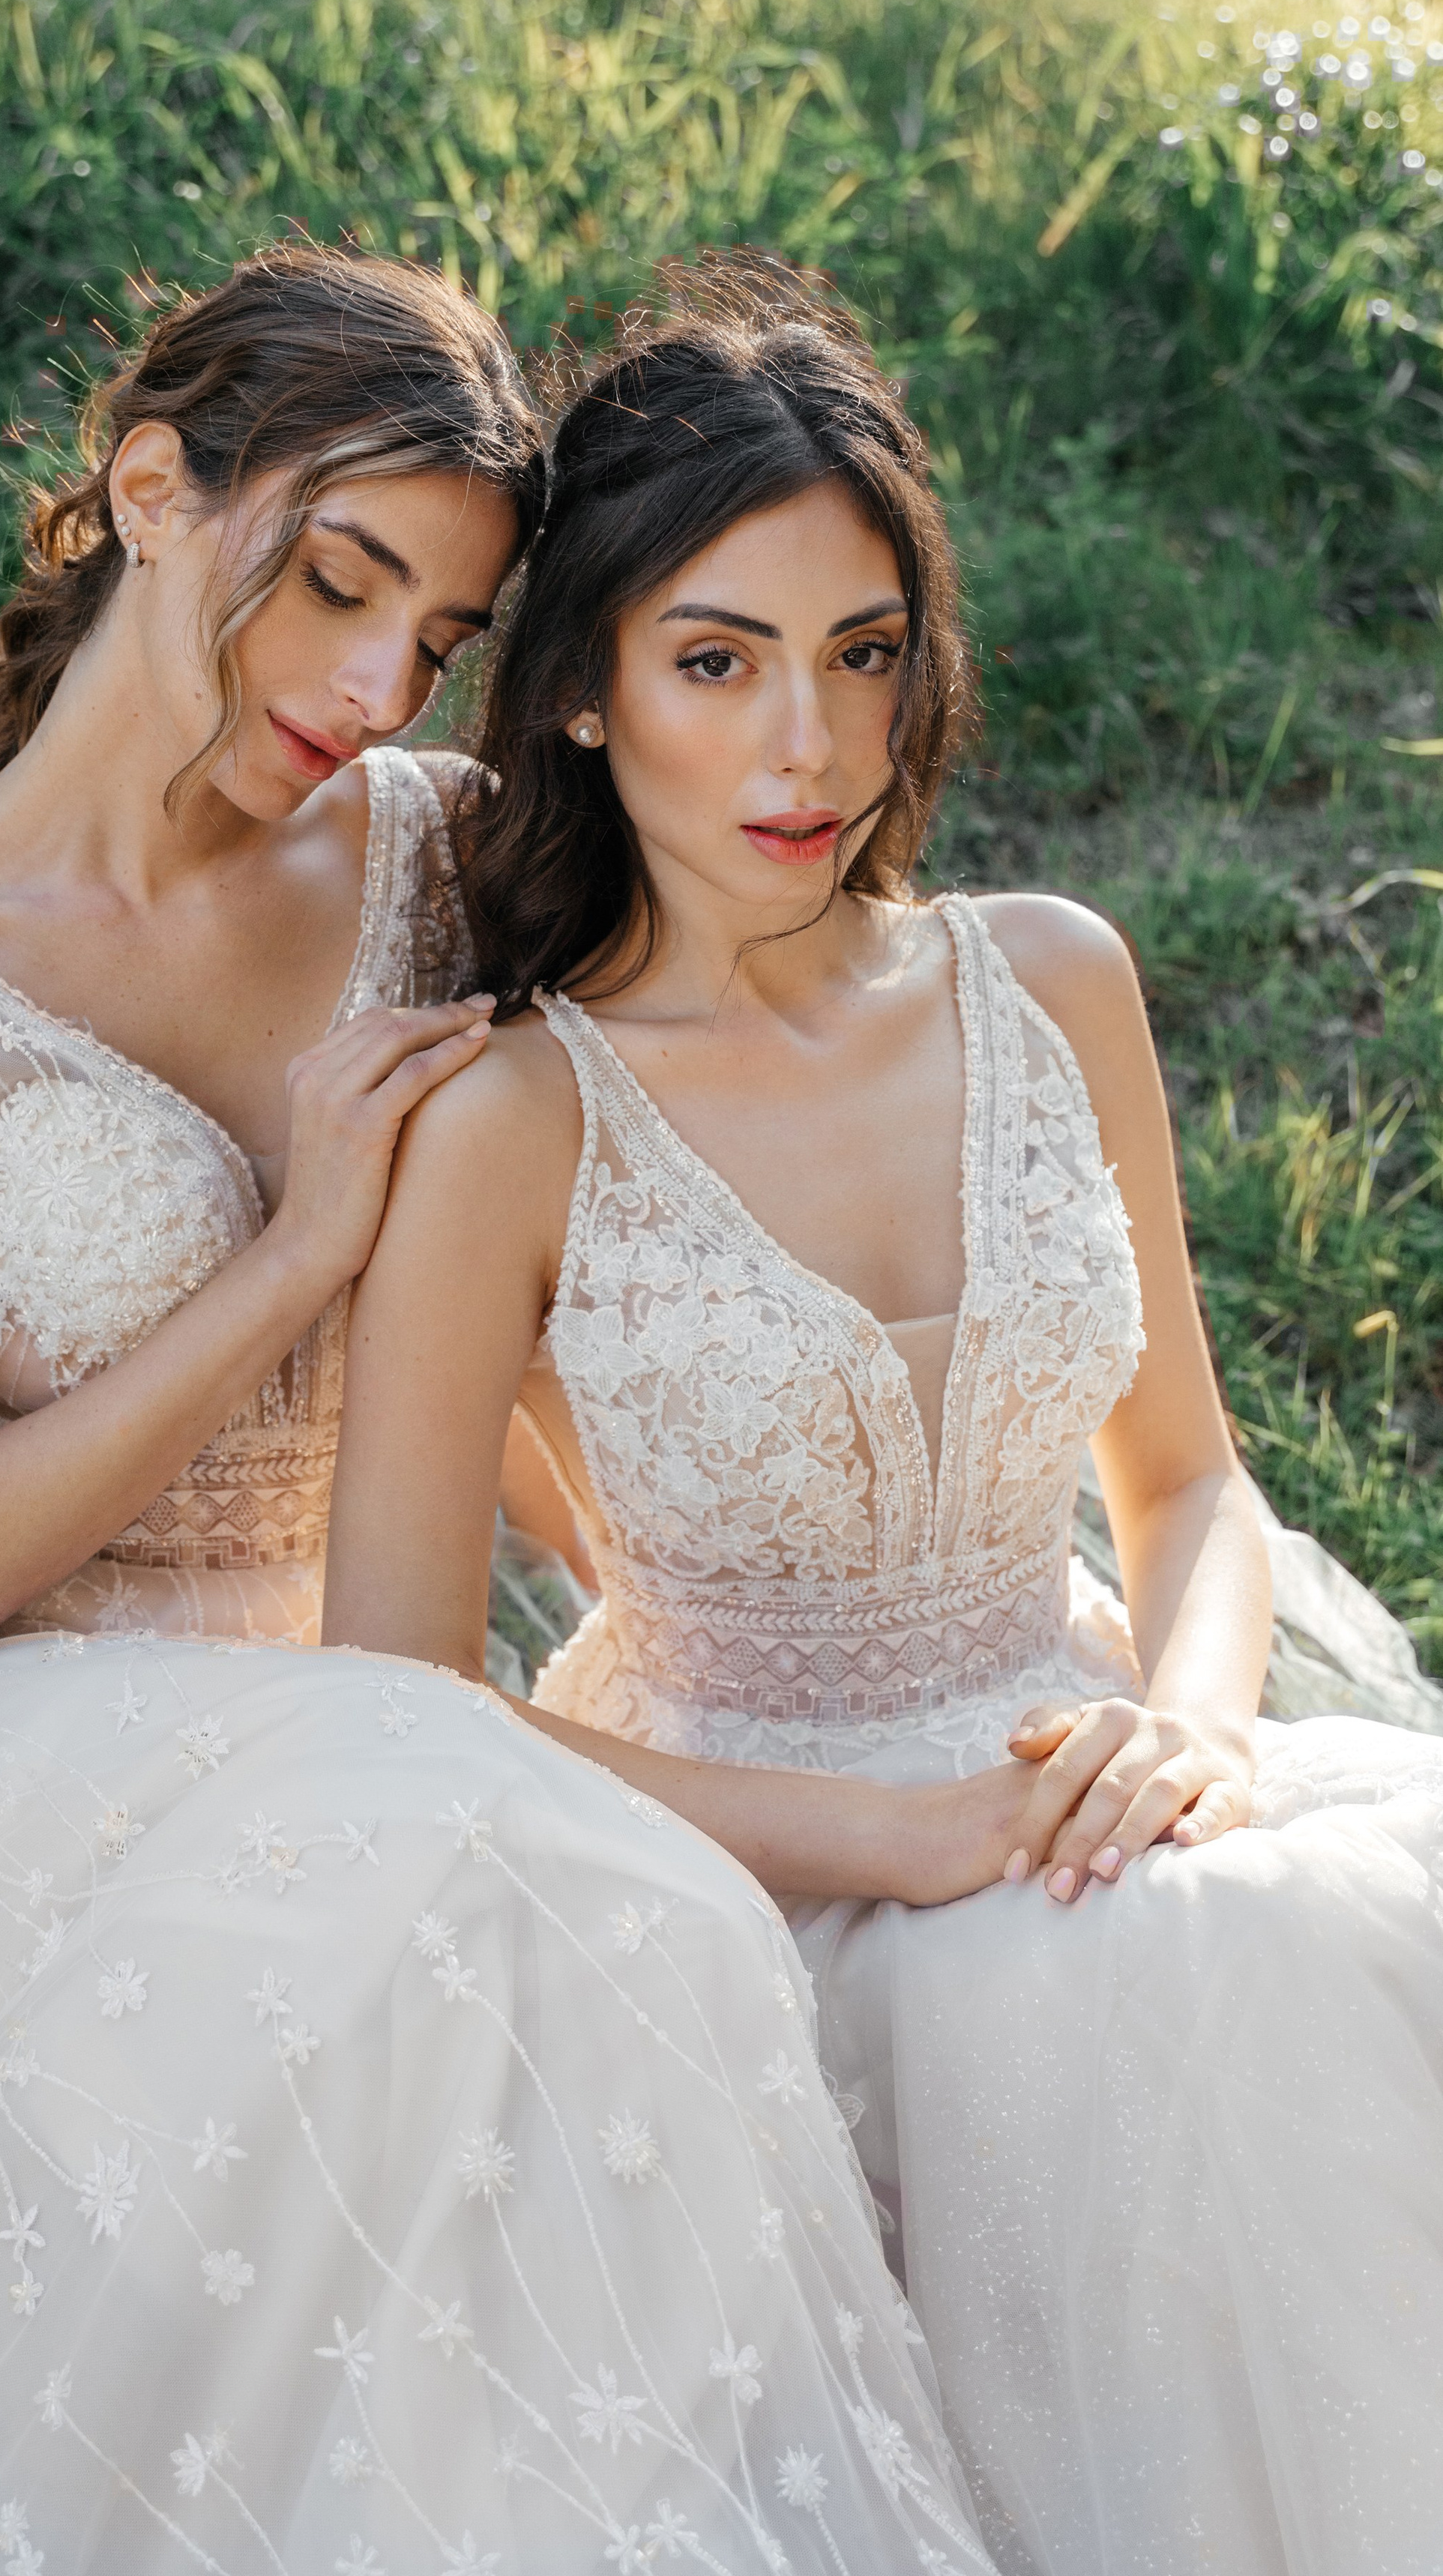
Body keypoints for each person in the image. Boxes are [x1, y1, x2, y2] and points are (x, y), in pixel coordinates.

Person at [0, 244, 1003, 2571]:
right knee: (492, 1875)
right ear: (146, 490)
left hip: (328, 1690)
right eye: (335, 582)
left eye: (436, 632)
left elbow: (542, 1276)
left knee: (477, 1887)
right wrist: (297, 1247)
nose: (372, 680)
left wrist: (736, 1567)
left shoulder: (429, 849)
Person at [323, 254, 1443, 2576]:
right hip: (739, 1869)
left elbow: (1192, 1479)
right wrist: (895, 1846)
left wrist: (1201, 1728)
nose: (803, 754)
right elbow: (396, 1693)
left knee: (1261, 1981)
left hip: (1089, 1765)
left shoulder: (1049, 980)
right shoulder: (520, 1122)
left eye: (860, 657)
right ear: (588, 701)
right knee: (1091, 2028)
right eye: (716, 664)